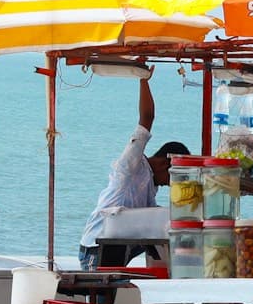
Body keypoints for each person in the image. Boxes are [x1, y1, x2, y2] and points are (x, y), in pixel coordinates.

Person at [78, 72, 192, 270]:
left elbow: (151, 218)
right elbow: (146, 119)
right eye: (171, 180)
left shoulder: (149, 187)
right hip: (96, 245)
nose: (168, 185)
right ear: (166, 165)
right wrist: (143, 80)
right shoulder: (132, 166)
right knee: (102, 294)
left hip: (119, 245)